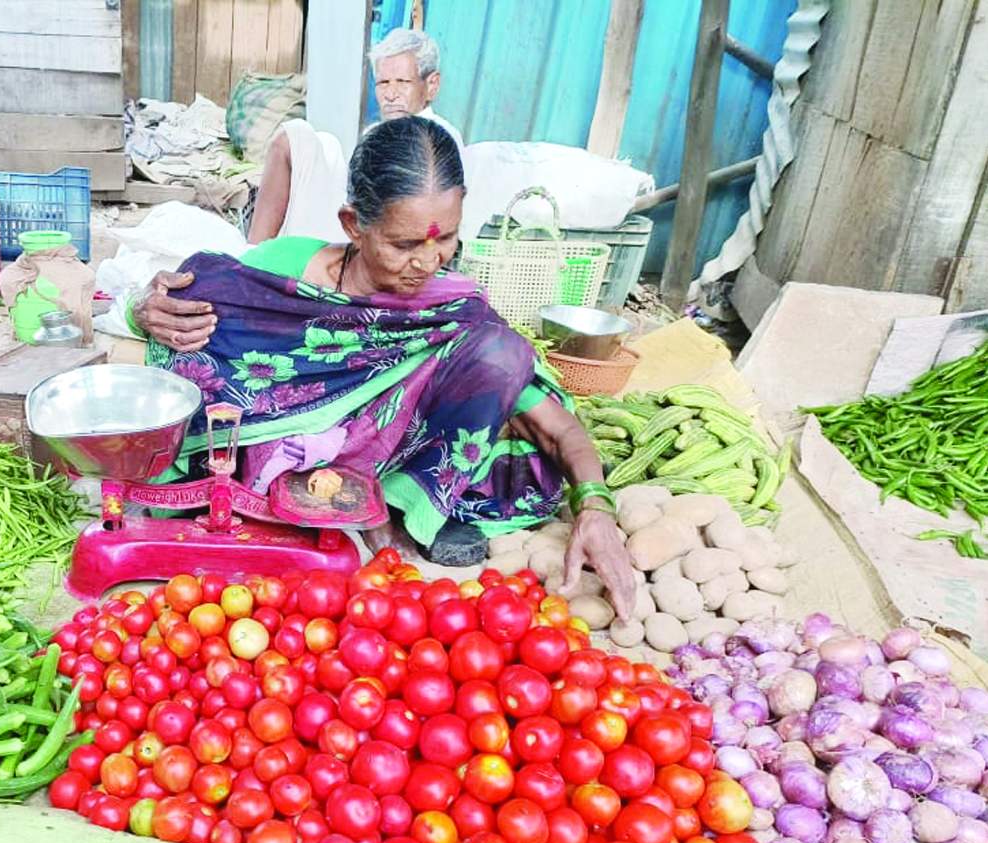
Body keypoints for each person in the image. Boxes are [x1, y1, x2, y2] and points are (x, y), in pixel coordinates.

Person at [128, 116, 634, 618]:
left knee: (501, 351)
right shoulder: (280, 272)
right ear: (354, 224)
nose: (428, 262)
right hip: (278, 449)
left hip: (392, 452)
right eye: (404, 244)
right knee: (204, 309)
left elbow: (558, 429)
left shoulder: (455, 313)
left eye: (446, 239)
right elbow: (181, 301)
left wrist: (595, 506)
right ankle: (278, 487)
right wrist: (144, 308)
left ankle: (396, 502)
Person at [247, 28, 466, 246]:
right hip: (353, 223)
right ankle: (252, 256)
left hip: (378, 238)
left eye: (402, 82)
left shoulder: (438, 138)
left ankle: (252, 261)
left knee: (299, 137)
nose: (390, 94)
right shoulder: (374, 133)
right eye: (383, 83)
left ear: (432, 85)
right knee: (302, 139)